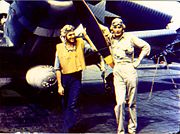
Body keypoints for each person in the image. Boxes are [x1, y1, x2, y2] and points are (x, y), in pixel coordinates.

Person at [108, 18, 151, 134]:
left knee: (131, 102)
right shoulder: (109, 39)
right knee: (120, 102)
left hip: (129, 70)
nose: (117, 30)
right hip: (117, 71)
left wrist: (138, 61)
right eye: (115, 27)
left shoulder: (130, 38)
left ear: (123, 28)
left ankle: (132, 128)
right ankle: (120, 130)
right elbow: (97, 37)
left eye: (119, 27)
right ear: (112, 28)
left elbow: (146, 46)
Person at [54, 24, 98, 132]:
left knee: (72, 105)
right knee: (65, 105)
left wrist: (86, 37)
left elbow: (94, 49)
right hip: (65, 78)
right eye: (70, 35)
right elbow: (57, 68)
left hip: (76, 79)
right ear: (65, 37)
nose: (73, 37)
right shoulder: (59, 48)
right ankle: (68, 126)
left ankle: (66, 130)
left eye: (73, 34)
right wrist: (59, 85)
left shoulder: (81, 44)